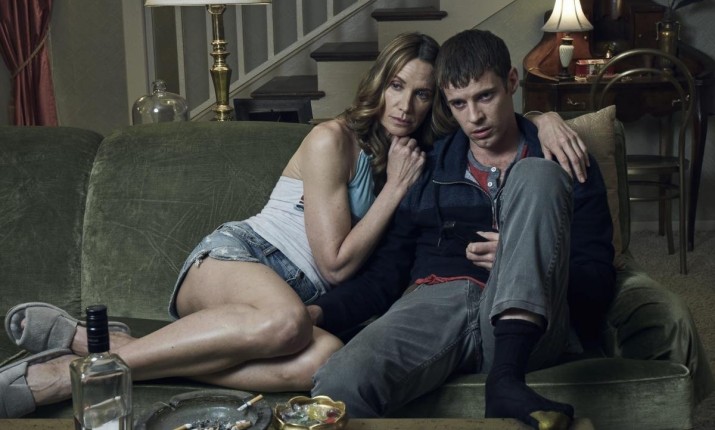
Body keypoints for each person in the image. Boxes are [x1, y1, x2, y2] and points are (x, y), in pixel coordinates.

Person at [0, 32, 587, 418]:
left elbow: (488, 127)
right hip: (245, 258)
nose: (404, 105)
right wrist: (396, 191)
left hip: (289, 304)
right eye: (396, 86)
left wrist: (543, 116)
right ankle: (71, 376)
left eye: (422, 95)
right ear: (379, 82)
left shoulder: (414, 156)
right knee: (285, 323)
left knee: (320, 363)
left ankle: (118, 348)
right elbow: (334, 262)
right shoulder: (333, 138)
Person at [309, 29, 616, 430]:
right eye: (459, 103)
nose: (474, 118)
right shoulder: (429, 166)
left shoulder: (565, 158)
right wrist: (317, 313)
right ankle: (504, 386)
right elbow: (385, 274)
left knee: (537, 174)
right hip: (434, 303)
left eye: (485, 96)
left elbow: (598, 279)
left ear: (511, 82)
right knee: (337, 385)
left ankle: (505, 380)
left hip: (534, 320)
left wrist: (525, 257)